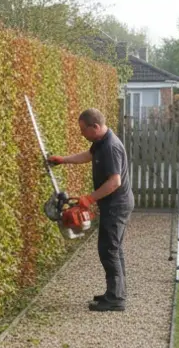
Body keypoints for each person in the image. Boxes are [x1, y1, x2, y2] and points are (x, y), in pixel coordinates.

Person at [47, 108, 135, 312]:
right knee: (114, 248)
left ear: (95, 126)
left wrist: (89, 198)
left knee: (108, 249)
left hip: (117, 205)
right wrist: (64, 160)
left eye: (83, 130)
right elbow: (88, 155)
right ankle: (116, 293)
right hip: (115, 204)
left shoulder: (111, 147)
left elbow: (115, 182)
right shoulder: (100, 142)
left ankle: (115, 299)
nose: (81, 134)